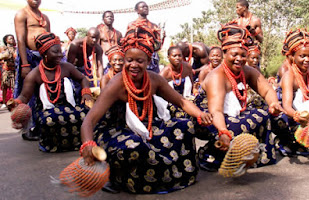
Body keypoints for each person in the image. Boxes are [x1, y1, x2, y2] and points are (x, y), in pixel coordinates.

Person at [80, 22, 213, 194]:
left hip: (149, 126)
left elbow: (181, 102)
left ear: (148, 61)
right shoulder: (116, 84)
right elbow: (89, 120)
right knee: (134, 147)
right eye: (129, 60)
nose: (133, 65)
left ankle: (175, 174)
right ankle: (115, 177)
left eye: (139, 61)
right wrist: (88, 145)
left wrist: (201, 114)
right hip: (117, 131)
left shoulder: (154, 79)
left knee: (184, 126)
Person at [194, 22, 284, 171]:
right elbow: (215, 111)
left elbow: (267, 91)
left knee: (263, 114)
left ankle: (255, 154)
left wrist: (273, 103)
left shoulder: (247, 71)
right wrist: (223, 132)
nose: (239, 59)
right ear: (224, 53)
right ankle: (210, 154)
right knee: (235, 127)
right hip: (208, 117)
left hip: (231, 113)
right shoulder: (217, 76)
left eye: (243, 55)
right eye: (234, 54)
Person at [8, 32, 92, 152]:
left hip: (70, 106)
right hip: (46, 110)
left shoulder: (67, 67)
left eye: (60, 51)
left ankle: (78, 143)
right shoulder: (34, 74)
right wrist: (16, 103)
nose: (60, 55)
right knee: (51, 119)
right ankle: (50, 145)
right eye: (55, 52)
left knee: (86, 115)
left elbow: (82, 78)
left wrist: (86, 92)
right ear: (44, 54)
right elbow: (25, 96)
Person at [14, 0, 51, 140]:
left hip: (43, 59)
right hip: (28, 58)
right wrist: (24, 64)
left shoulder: (45, 17)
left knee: (44, 93)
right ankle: (27, 129)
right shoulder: (21, 14)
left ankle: (42, 126)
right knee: (27, 93)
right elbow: (21, 39)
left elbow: (49, 39)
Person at [127, 1, 165, 73]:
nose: (145, 8)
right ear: (137, 10)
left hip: (151, 58)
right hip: (136, 56)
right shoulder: (132, 25)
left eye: (146, 7)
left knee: (153, 79)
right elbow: (128, 42)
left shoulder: (154, 26)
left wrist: (161, 37)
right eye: (142, 7)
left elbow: (158, 44)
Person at [0, 35, 17, 109]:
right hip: (6, 70)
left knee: (14, 86)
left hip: (14, 70)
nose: (12, 40)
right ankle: (4, 103)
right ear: (6, 41)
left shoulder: (16, 49)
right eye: (10, 38)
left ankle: (14, 102)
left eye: (13, 38)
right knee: (5, 86)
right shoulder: (4, 49)